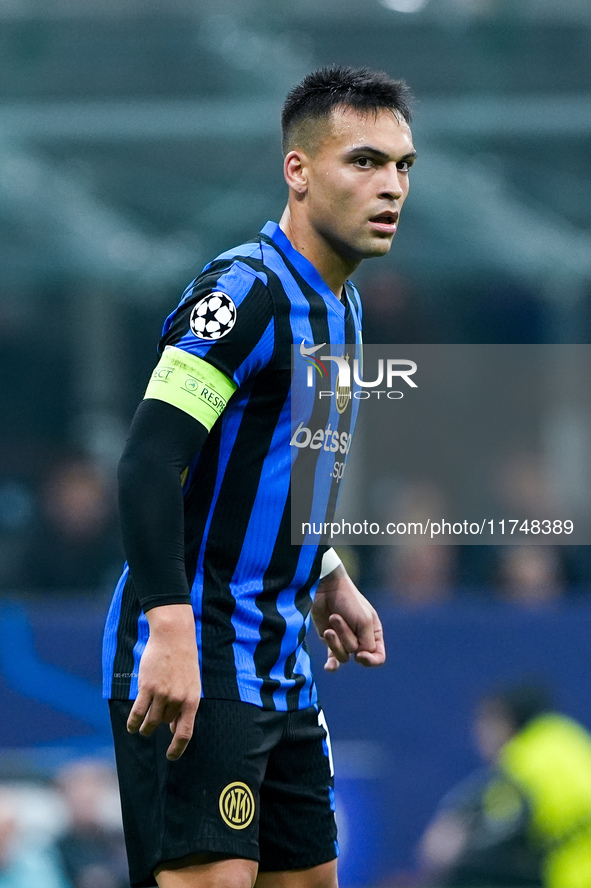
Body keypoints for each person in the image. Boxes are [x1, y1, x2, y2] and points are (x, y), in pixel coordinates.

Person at [102, 65, 416, 888]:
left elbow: (285, 464)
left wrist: (328, 571)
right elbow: (146, 461)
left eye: (401, 166)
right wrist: (168, 632)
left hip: (280, 662)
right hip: (198, 651)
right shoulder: (244, 293)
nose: (390, 187)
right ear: (298, 171)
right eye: (364, 162)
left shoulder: (342, 307)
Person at [417, 684, 591, 888]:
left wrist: (457, 846)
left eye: (487, 722)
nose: (479, 733)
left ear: (506, 721)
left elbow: (498, 826)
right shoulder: (566, 736)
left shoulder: (524, 758)